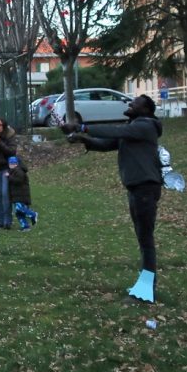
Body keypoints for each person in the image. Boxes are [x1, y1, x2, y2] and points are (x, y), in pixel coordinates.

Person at [64, 95, 162, 303]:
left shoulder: (145, 126)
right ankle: (145, 286)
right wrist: (83, 139)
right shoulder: (134, 129)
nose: (130, 104)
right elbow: (108, 142)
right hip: (137, 189)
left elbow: (115, 131)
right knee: (143, 239)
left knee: (146, 241)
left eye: (134, 103)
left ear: (145, 110)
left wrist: (83, 127)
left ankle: (146, 291)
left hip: (145, 188)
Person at [7, 156, 38, 231]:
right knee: (18, 213)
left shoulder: (19, 171)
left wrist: (9, 177)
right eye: (10, 163)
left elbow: (18, 181)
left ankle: (33, 214)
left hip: (21, 195)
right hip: (16, 195)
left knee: (19, 208)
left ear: (16, 164)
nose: (11, 165)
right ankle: (25, 226)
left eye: (13, 163)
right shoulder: (12, 171)